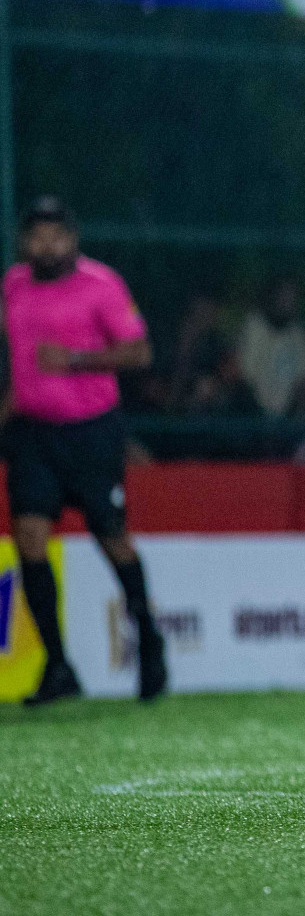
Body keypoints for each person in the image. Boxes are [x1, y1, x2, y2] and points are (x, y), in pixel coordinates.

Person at [3, 197, 165, 704]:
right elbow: (18, 366)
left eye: (55, 233)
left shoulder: (102, 284)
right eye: (36, 234)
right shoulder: (13, 285)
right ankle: (58, 665)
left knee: (112, 537)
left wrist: (74, 360)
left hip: (91, 432)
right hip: (32, 433)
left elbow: (140, 353)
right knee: (29, 537)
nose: (45, 243)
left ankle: (151, 644)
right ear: (24, 240)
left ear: (72, 238)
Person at [237, 275, 305, 419]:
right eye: (284, 296)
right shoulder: (254, 326)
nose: (288, 302)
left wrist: (301, 417)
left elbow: (304, 377)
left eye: (292, 297)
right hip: (253, 413)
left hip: (287, 416)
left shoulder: (297, 331)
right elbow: (245, 376)